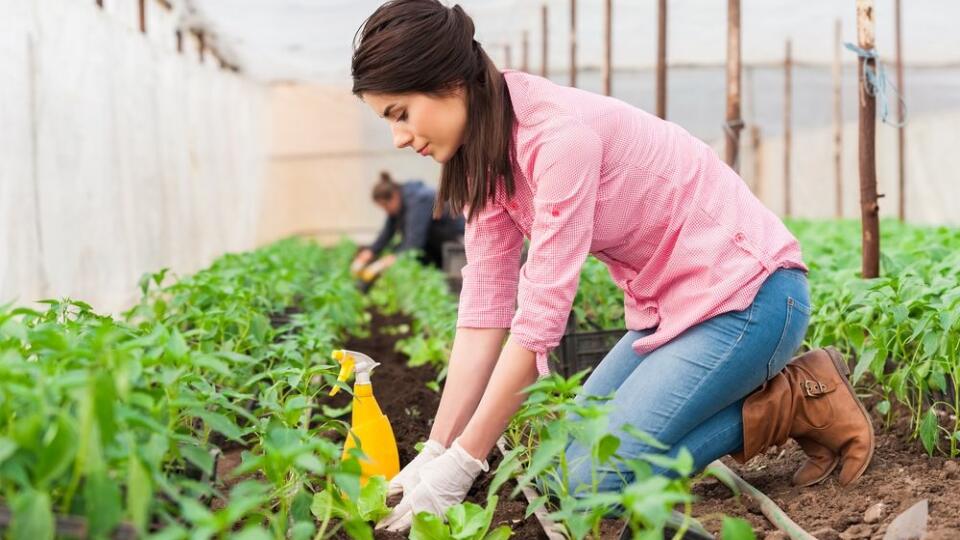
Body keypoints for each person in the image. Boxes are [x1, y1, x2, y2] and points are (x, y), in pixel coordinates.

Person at [351, 0, 875, 533]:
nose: (398, 137)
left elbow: (538, 323)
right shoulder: (483, 155)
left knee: (591, 485)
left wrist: (466, 462)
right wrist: (437, 452)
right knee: (557, 469)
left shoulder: (556, 137)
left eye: (400, 113)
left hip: (749, 298)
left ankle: (797, 401)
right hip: (668, 310)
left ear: (450, 83)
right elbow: (485, 306)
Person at [350, 171, 465, 281]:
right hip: (440, 244)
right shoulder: (400, 204)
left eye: (385, 206)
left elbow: (414, 243)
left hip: (456, 242)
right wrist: (370, 252)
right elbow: (387, 232)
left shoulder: (419, 200)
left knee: (454, 284)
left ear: (394, 196)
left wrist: (386, 261)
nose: (386, 211)